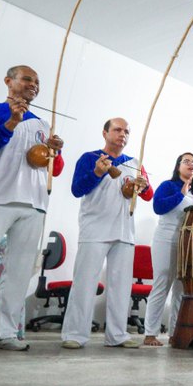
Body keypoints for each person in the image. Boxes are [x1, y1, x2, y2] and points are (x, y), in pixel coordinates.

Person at [0, 65, 64, 351]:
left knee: (19, 271)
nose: (33, 85)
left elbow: (54, 169)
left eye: (37, 82)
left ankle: (2, 331)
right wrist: (10, 123)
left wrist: (56, 150)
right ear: (8, 81)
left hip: (34, 203)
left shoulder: (43, 125)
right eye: (27, 79)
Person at [60, 118, 152, 349]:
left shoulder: (135, 163)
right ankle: (75, 334)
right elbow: (77, 189)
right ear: (105, 133)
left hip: (124, 231)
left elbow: (148, 195)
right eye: (117, 130)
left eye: (127, 131)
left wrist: (143, 185)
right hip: (95, 228)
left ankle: (117, 335)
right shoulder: (90, 158)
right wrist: (96, 172)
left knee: (121, 286)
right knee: (85, 282)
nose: (123, 134)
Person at [143, 153, 193, 346]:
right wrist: (181, 193)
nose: (191, 164)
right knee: (162, 283)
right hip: (166, 238)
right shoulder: (168, 185)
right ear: (178, 166)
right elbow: (158, 207)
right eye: (186, 161)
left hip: (188, 243)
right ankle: (150, 333)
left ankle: (175, 333)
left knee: (181, 288)